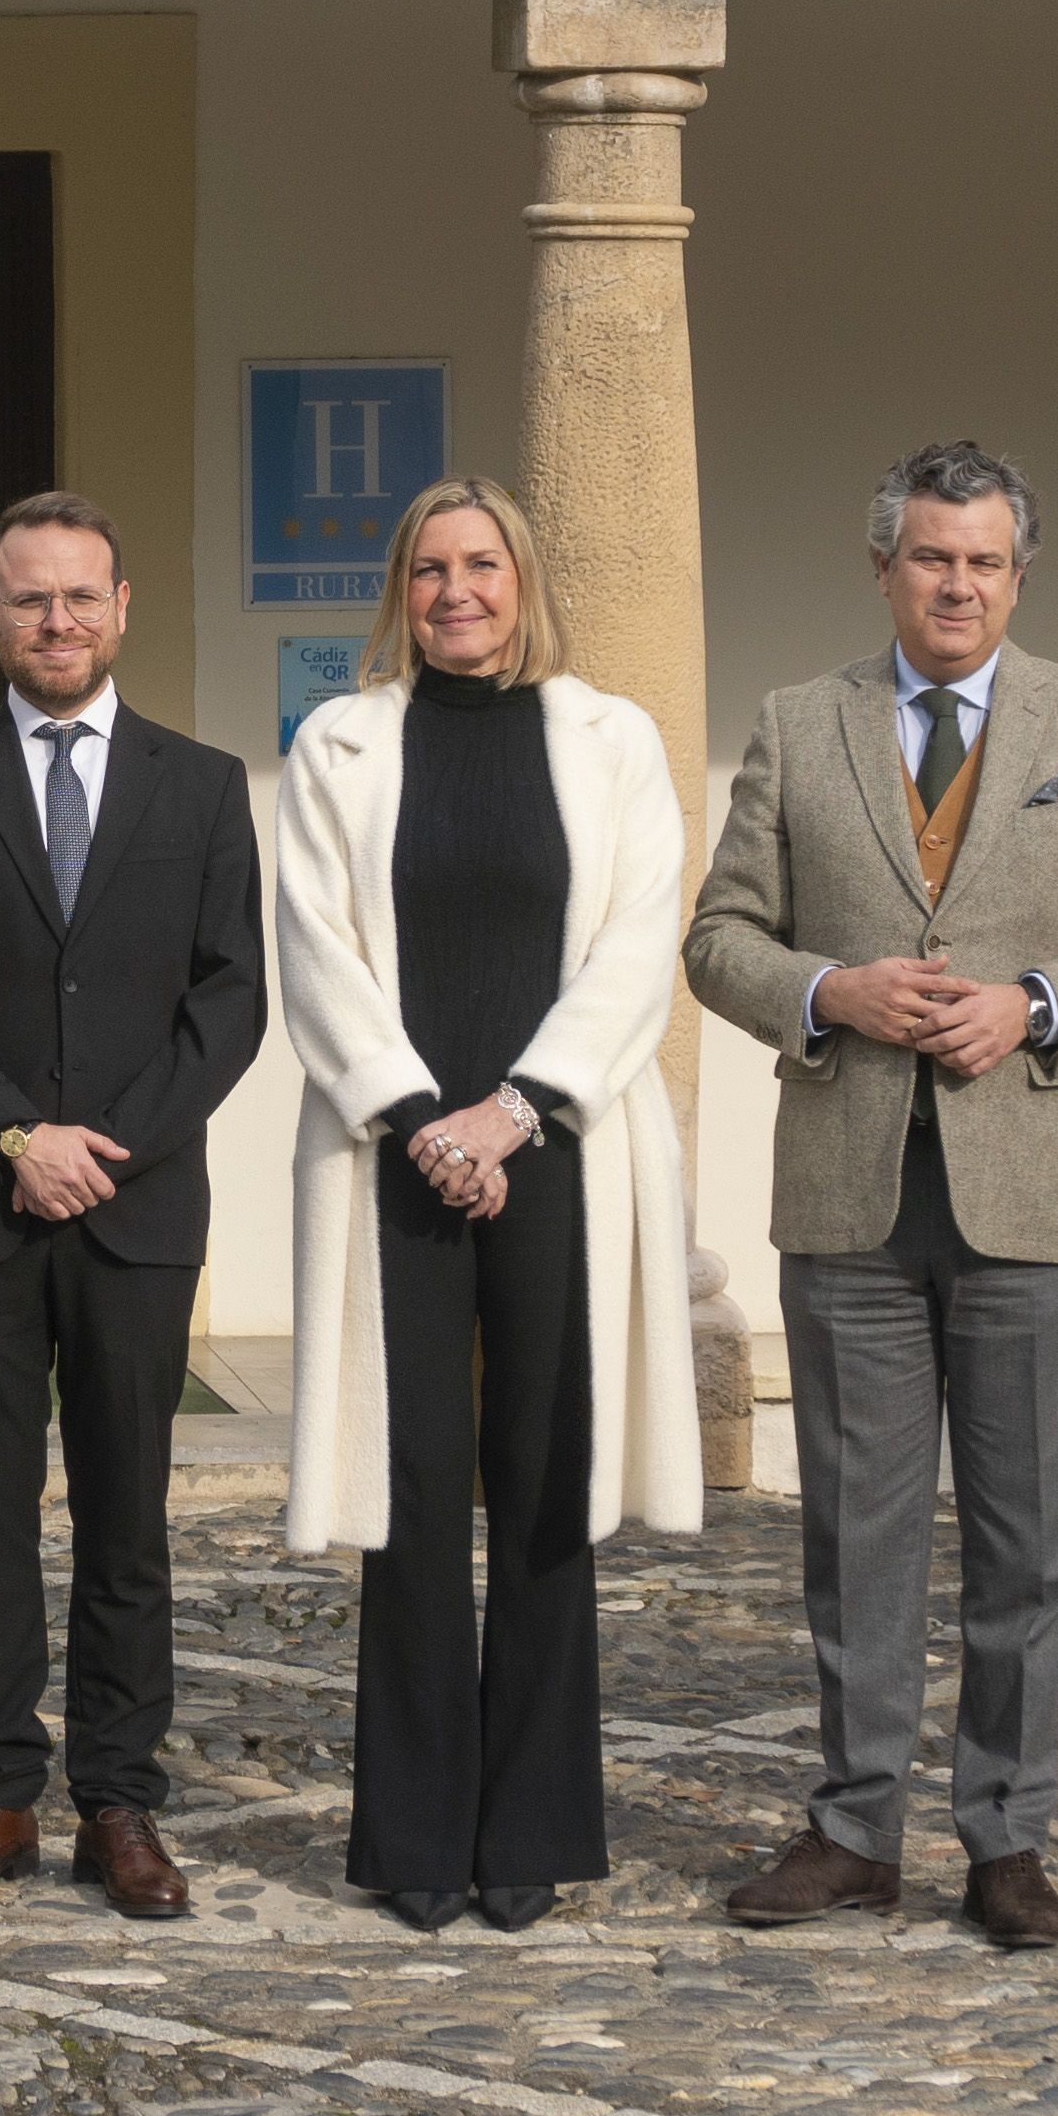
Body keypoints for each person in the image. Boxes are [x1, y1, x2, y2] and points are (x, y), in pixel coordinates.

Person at [686, 442, 1058, 1953]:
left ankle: (1009, 1835)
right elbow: (720, 939)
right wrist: (830, 988)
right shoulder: (799, 725)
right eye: (930, 558)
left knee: (1028, 1535)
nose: (957, 584)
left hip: (1030, 1191)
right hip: (850, 1191)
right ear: (885, 567)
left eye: (983, 561)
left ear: (1018, 573)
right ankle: (855, 1828)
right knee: (854, 1529)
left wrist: (1040, 1004)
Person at [269, 477, 700, 1933]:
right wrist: (418, 1119)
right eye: (432, 568)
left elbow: (642, 945)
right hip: (394, 1155)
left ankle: (530, 1829)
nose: (458, 591)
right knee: (407, 1493)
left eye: (484, 565)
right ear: (401, 590)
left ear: (524, 582)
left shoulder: (612, 739)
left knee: (540, 1485)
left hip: (558, 1154)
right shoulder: (340, 743)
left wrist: (513, 1111)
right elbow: (314, 947)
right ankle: (410, 1837)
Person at [0, 489, 266, 1920]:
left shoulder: (204, 787)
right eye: (29, 598)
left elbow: (231, 1002)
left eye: (81, 595)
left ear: (123, 605)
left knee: (128, 1519)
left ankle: (122, 1804)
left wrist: (107, 1150)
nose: (57, 620)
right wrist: (18, 1136)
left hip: (137, 1216)